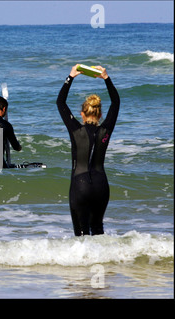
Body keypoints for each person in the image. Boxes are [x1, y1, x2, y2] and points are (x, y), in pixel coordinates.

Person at [56, 64, 120, 236]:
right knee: (98, 230)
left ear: (82, 114)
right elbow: (116, 102)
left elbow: (60, 102)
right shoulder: (105, 131)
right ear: (99, 115)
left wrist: (71, 76)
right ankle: (101, 262)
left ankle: (84, 262)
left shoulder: (76, 130)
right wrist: (106, 77)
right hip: (101, 186)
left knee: (81, 234)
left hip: (80, 185)